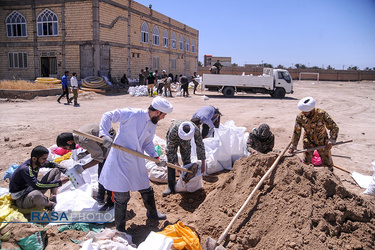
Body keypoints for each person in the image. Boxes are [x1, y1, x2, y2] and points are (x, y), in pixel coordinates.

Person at [98, 96, 173, 233]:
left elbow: (147, 142)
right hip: (119, 160)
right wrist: (104, 135)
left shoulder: (152, 123)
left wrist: (155, 157)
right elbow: (108, 115)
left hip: (136, 160)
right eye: (163, 115)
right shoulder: (132, 114)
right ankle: (120, 229)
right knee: (121, 196)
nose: (163, 118)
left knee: (145, 187)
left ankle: (152, 213)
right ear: (157, 112)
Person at [56, 124, 116, 211]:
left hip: (112, 145)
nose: (68, 149)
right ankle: (100, 197)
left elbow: (98, 158)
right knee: (101, 175)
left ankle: (111, 202)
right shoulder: (79, 134)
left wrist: (83, 167)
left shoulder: (83, 140)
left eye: (66, 147)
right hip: (105, 140)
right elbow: (95, 143)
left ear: (69, 142)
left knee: (107, 176)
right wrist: (85, 153)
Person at [9, 146, 69, 210]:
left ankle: (53, 196)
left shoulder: (37, 163)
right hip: (22, 198)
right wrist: (59, 182)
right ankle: (50, 204)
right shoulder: (25, 169)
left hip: (31, 189)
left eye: (46, 158)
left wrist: (66, 171)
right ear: (34, 159)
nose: (45, 161)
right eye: (44, 159)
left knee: (56, 170)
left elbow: (51, 164)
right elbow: (37, 185)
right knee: (36, 195)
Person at [288, 97, 339, 171]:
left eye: (306, 112)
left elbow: (334, 127)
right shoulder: (300, 117)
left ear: (311, 110)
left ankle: (330, 178)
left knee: (327, 163)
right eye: (303, 111)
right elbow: (297, 132)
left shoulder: (321, 114)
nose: (303, 113)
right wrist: (293, 146)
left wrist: (331, 141)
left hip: (322, 141)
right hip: (308, 141)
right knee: (306, 163)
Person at [163, 120, 206, 196]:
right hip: (174, 138)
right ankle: (171, 186)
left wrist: (203, 162)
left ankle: (188, 184)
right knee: (171, 161)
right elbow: (170, 149)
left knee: (186, 159)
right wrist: (176, 164)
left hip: (186, 142)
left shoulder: (195, 129)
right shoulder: (174, 130)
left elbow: (200, 145)